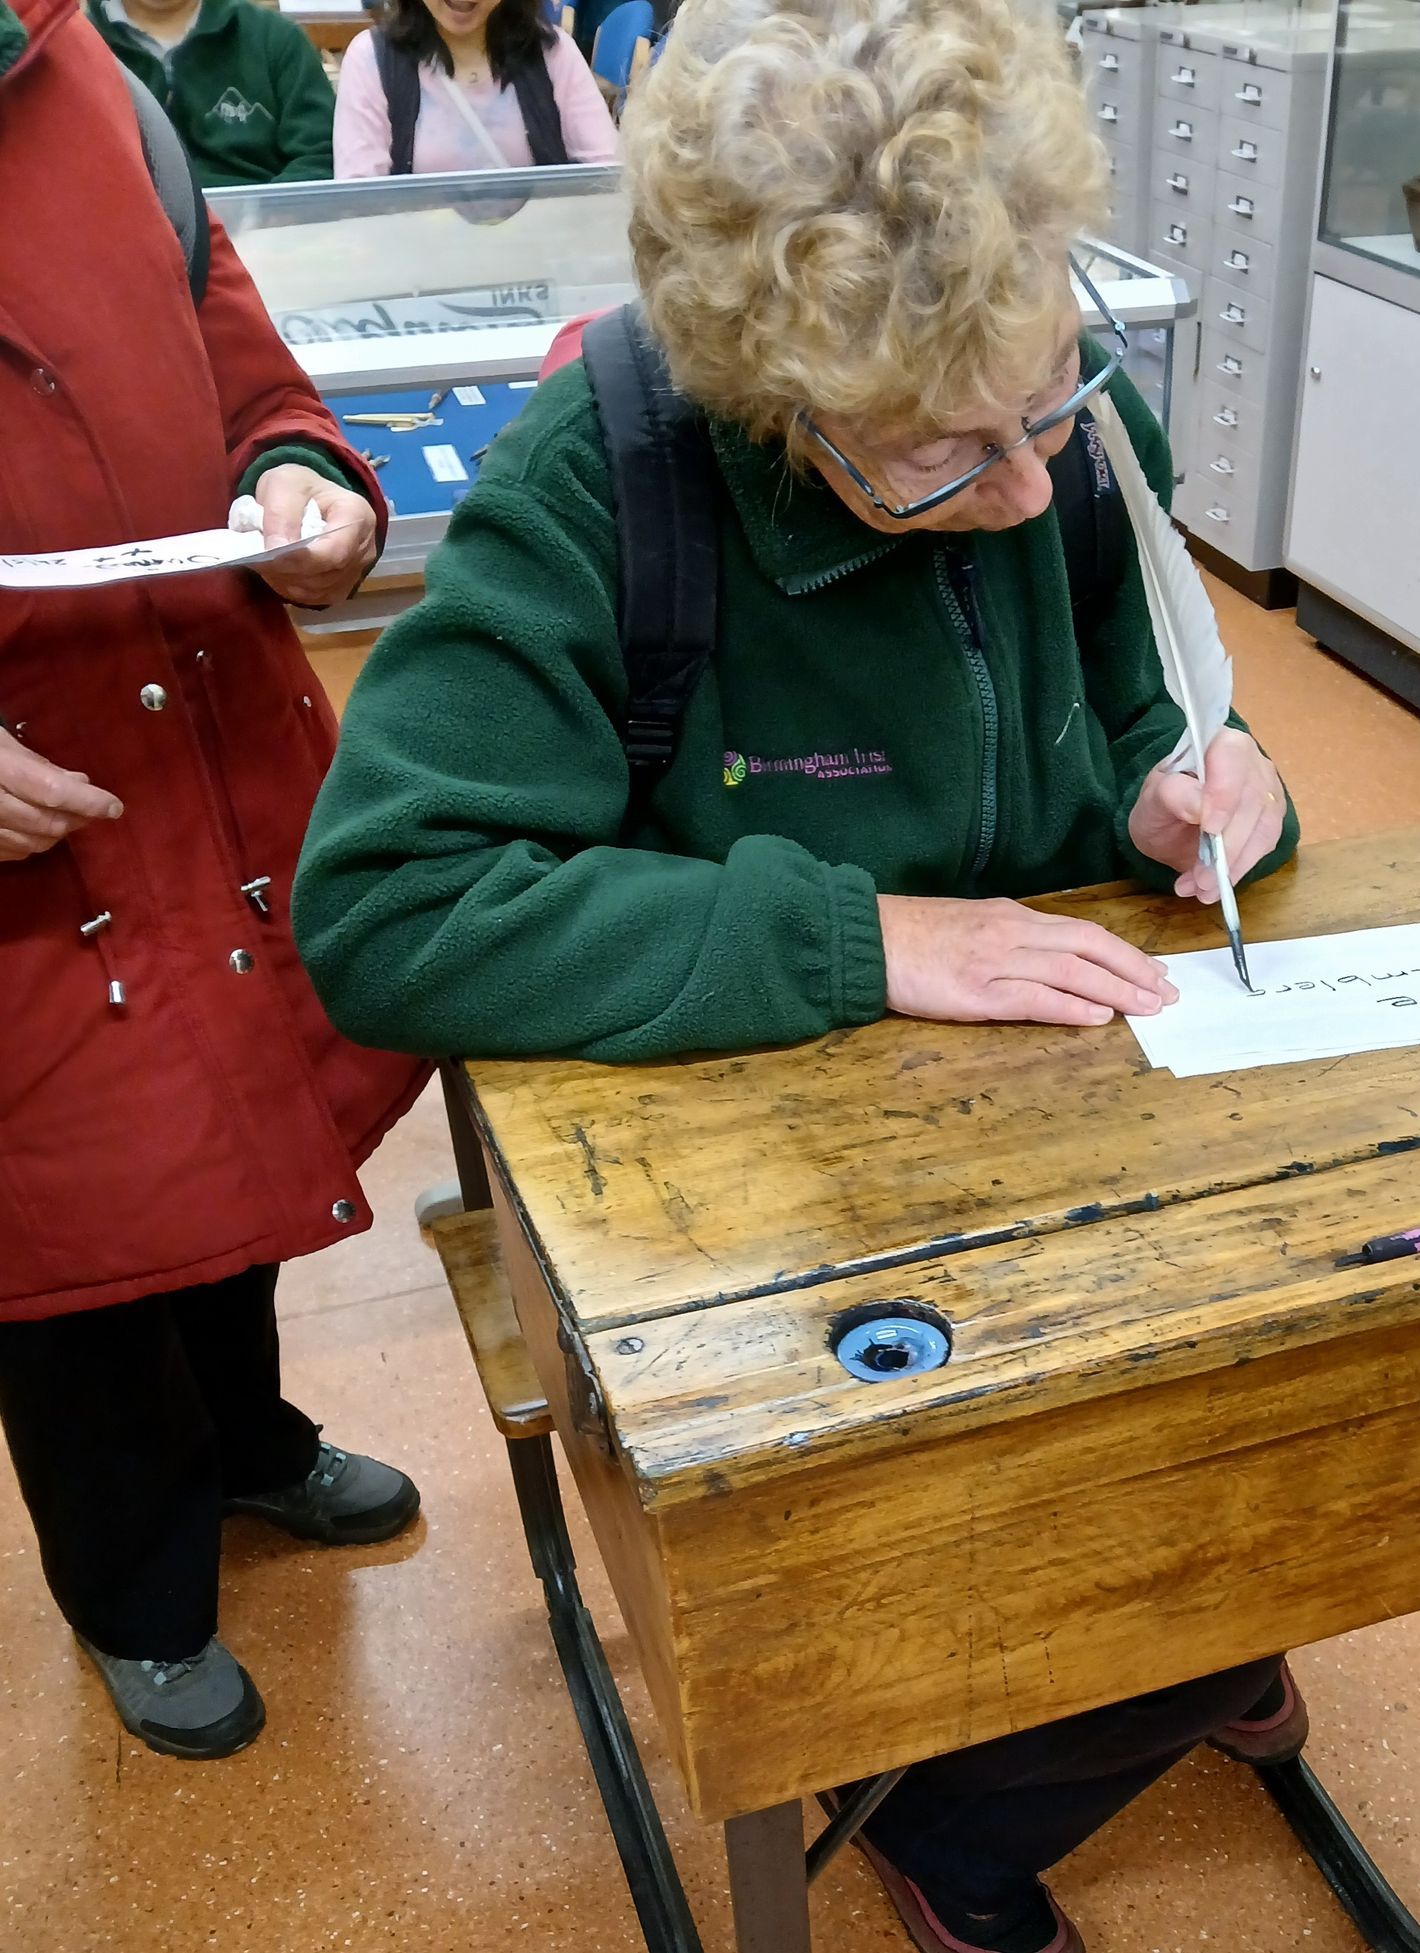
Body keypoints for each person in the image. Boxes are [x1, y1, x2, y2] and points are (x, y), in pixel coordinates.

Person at [294, 0, 1302, 1945]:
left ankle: (1165, 1649)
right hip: (750, 1187)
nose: (1022, 486)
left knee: (1311, 1398)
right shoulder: (608, 488)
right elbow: (389, 905)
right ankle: (976, 1815)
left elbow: (1149, 709)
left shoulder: (1045, 420)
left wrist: (1210, 793)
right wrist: (857, 938)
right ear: (777, 401)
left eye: (1046, 403)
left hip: (1068, 1106)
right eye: (938, 457)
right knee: (1116, 1505)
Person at [0, 0, 427, 1764]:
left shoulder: (89, 63)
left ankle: (245, 1447)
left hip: (210, 756)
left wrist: (299, 470)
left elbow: (231, 341)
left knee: (238, 1140)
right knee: (75, 1242)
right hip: (36, 841)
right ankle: (134, 1585)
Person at [332, 0, 618, 177]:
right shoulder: (371, 58)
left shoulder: (553, 53)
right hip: (416, 264)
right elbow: (359, 199)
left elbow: (610, 174)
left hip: (537, 262)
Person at [85, 0, 337, 186]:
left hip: (262, 236)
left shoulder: (275, 37)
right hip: (125, 236)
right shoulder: (71, 45)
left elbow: (318, 156)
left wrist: (266, 219)